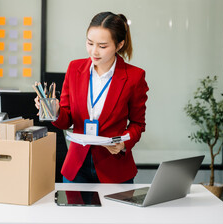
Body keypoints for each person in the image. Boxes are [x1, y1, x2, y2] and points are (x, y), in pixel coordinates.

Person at [35, 11, 149, 183]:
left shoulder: (134, 77)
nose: (94, 51)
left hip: (114, 166)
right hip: (77, 167)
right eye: (90, 43)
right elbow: (67, 121)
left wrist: (123, 143)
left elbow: (138, 124)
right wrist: (56, 111)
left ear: (119, 45)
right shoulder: (74, 69)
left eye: (102, 46)